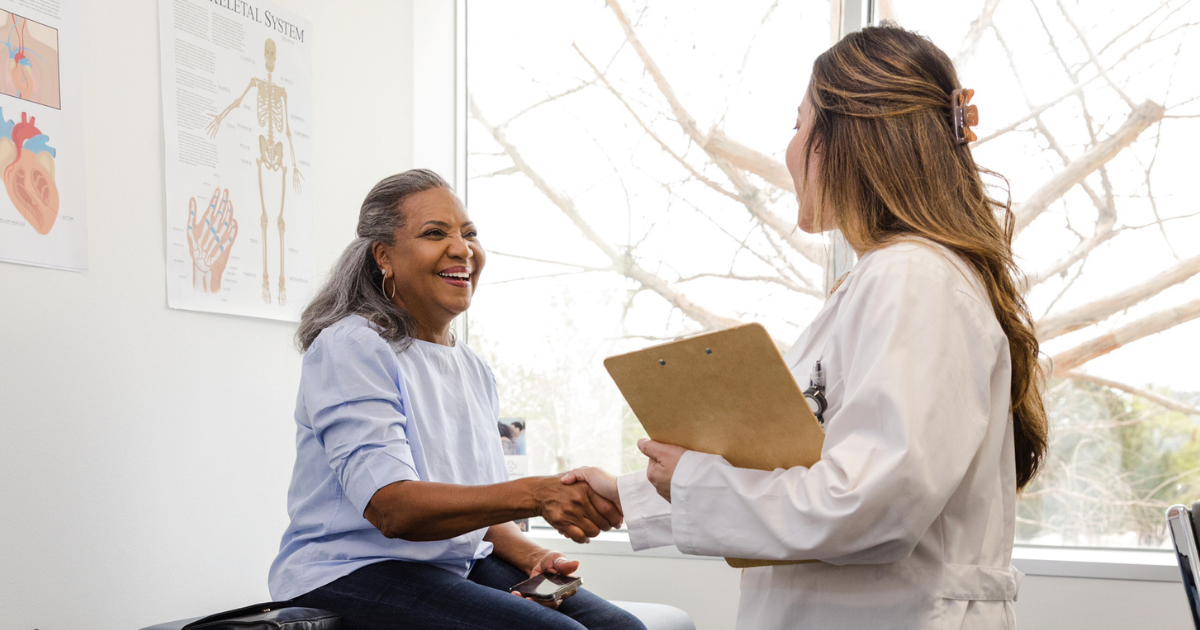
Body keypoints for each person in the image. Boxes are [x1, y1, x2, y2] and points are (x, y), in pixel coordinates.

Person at [564, 25, 1048, 630]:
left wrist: (689, 478)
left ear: (842, 141)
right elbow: (805, 467)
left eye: (797, 127)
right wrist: (633, 494)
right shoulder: (892, 278)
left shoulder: (912, 279)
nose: (789, 150)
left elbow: (868, 506)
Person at [268, 169, 646, 630]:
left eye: (469, 234)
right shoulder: (352, 345)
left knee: (624, 629)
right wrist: (537, 494)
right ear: (383, 255)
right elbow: (391, 507)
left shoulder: (474, 368)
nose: (462, 248)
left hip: (448, 565)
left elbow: (479, 508)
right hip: (348, 570)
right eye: (435, 233)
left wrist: (532, 555)